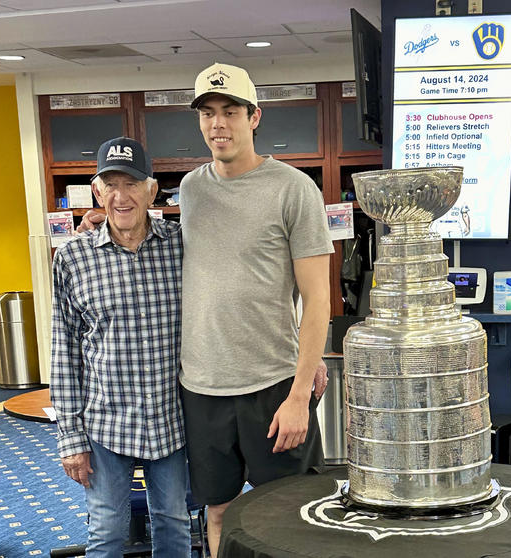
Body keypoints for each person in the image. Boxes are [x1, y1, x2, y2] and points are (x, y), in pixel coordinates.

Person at [78, 62, 333, 557]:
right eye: (208, 113)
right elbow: (155, 236)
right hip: (201, 390)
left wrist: (301, 390)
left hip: (273, 385)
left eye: (231, 111)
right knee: (216, 509)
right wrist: (102, 223)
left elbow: (318, 298)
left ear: (254, 116)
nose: (219, 123)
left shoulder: (294, 188)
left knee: (288, 509)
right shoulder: (191, 189)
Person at [50, 137, 190, 557]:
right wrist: (70, 438)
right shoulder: (72, 258)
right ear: (97, 192)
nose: (120, 196)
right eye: (110, 184)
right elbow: (64, 353)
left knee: (174, 525)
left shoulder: (184, 246)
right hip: (106, 425)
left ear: (152, 190)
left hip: (172, 419)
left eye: (131, 184)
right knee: (106, 533)